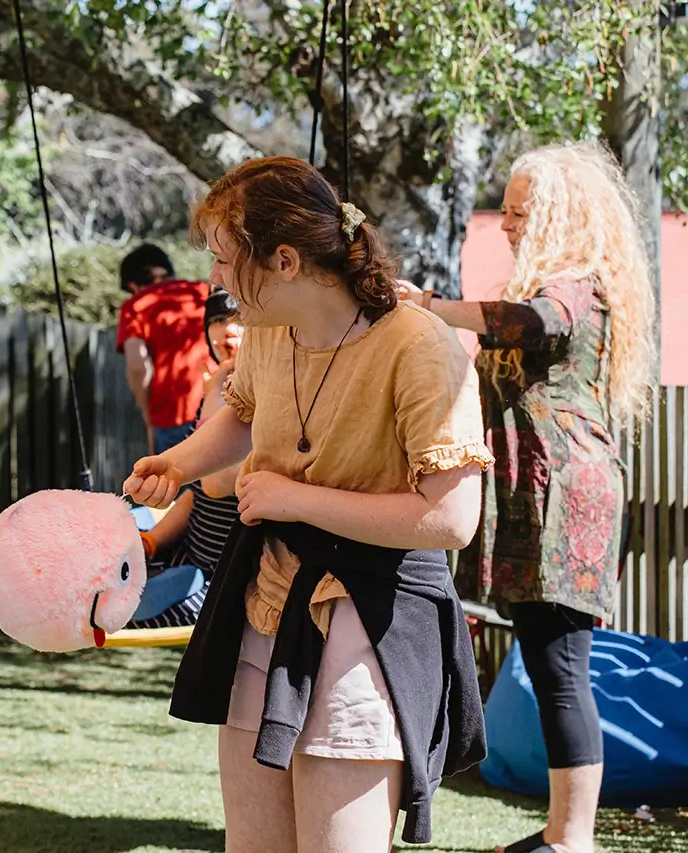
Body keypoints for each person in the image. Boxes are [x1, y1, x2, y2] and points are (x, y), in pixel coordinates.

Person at [123, 156, 493, 852]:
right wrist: (178, 463)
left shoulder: (420, 347)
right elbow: (240, 413)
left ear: (285, 260)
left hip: (369, 616)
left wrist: (295, 498)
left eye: (228, 261)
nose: (218, 281)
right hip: (266, 603)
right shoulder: (266, 331)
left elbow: (451, 519)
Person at [396, 140, 658, 853]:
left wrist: (433, 304)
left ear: (558, 215)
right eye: (505, 210)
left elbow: (532, 322)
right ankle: (560, 833)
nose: (506, 223)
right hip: (534, 494)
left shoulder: (579, 284)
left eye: (519, 212)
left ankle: (572, 841)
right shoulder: (552, 283)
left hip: (568, 496)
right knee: (548, 663)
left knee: (561, 668)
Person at [128, 288, 244, 629]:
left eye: (238, 321)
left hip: (227, 578)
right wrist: (152, 542)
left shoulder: (258, 394)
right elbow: (196, 494)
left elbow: (217, 483)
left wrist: (215, 391)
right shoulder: (215, 390)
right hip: (190, 556)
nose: (227, 331)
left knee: (135, 607)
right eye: (218, 321)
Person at [115, 243, 213, 454]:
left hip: (172, 416)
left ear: (133, 285)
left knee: (173, 485)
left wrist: (148, 415)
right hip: (219, 407)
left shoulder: (135, 306)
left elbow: (137, 365)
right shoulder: (204, 293)